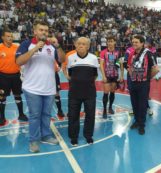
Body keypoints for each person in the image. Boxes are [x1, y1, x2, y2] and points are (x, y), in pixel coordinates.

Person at [16, 20, 65, 153]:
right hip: (32, 88)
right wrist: (35, 49)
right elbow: (19, 61)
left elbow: (62, 59)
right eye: (41, 30)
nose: (44, 32)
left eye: (46, 30)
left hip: (49, 88)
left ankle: (46, 135)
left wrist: (58, 46)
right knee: (35, 115)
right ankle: (33, 140)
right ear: (35, 31)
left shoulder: (52, 46)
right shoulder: (26, 44)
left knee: (46, 114)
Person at [67, 37, 99, 146]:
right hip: (74, 93)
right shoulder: (70, 58)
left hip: (89, 93)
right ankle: (73, 137)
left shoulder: (94, 58)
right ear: (75, 45)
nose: (81, 45)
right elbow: (70, 75)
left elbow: (95, 75)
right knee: (73, 116)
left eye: (84, 44)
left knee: (90, 115)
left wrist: (86, 82)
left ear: (88, 46)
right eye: (79, 43)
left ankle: (88, 136)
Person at [127, 35, 159, 135]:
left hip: (143, 84)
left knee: (142, 105)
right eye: (133, 42)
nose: (134, 44)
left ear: (142, 43)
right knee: (134, 103)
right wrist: (131, 74)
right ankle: (136, 121)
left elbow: (156, 69)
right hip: (133, 82)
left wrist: (147, 78)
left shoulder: (148, 54)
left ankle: (142, 125)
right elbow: (129, 66)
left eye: (136, 42)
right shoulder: (132, 53)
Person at [0, 28, 28, 126]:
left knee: (18, 95)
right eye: (8, 36)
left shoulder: (17, 47)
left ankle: (21, 114)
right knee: (2, 97)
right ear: (3, 37)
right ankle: (1, 117)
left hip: (16, 75)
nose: (10, 38)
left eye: (11, 36)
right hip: (3, 76)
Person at [99, 36, 124, 119]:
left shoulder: (118, 52)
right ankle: (105, 110)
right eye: (108, 41)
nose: (110, 43)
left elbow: (120, 65)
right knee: (106, 92)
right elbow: (101, 65)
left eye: (111, 41)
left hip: (115, 75)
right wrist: (103, 76)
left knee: (112, 92)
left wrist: (122, 76)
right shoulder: (103, 52)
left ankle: (110, 108)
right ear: (107, 43)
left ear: (114, 42)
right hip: (107, 76)